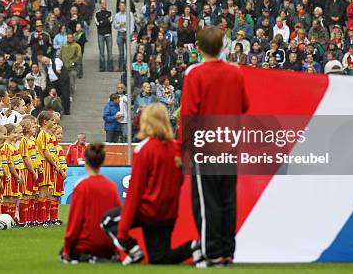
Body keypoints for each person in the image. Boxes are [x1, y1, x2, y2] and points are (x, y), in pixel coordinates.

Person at [179, 26, 249, 267]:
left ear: (198, 48)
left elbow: (188, 114)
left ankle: (211, 253)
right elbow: (244, 106)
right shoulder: (235, 73)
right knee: (227, 200)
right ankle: (227, 251)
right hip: (229, 143)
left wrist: (182, 148)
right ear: (222, 47)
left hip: (205, 145)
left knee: (206, 201)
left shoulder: (194, 73)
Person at [101, 103, 201, 265]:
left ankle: (133, 251)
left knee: (106, 221)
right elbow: (179, 182)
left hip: (148, 211)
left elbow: (135, 192)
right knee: (159, 258)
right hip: (168, 213)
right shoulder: (176, 149)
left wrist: (123, 230)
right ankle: (194, 246)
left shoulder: (144, 149)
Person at [61, 142, 120, 262]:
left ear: (85, 161)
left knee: (62, 253)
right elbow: (118, 218)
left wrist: (67, 249)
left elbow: (75, 221)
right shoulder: (111, 186)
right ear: (102, 161)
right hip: (109, 245)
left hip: (87, 244)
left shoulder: (82, 187)